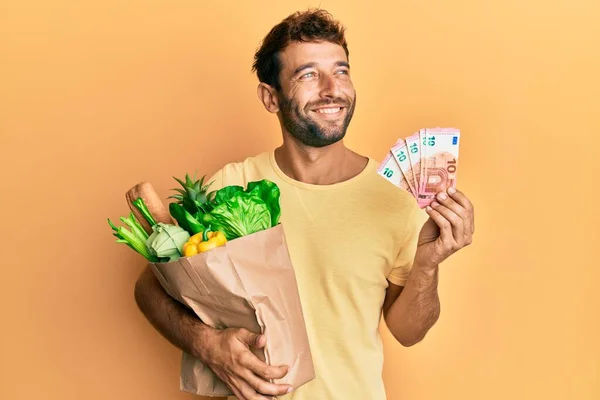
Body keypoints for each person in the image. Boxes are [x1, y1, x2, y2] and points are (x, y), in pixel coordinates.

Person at [134, 8, 475, 400]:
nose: (332, 88)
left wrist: (428, 265)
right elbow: (149, 288)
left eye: (341, 70)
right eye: (308, 74)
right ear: (270, 97)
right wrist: (207, 346)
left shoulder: (396, 199)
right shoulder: (229, 186)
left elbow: (408, 332)